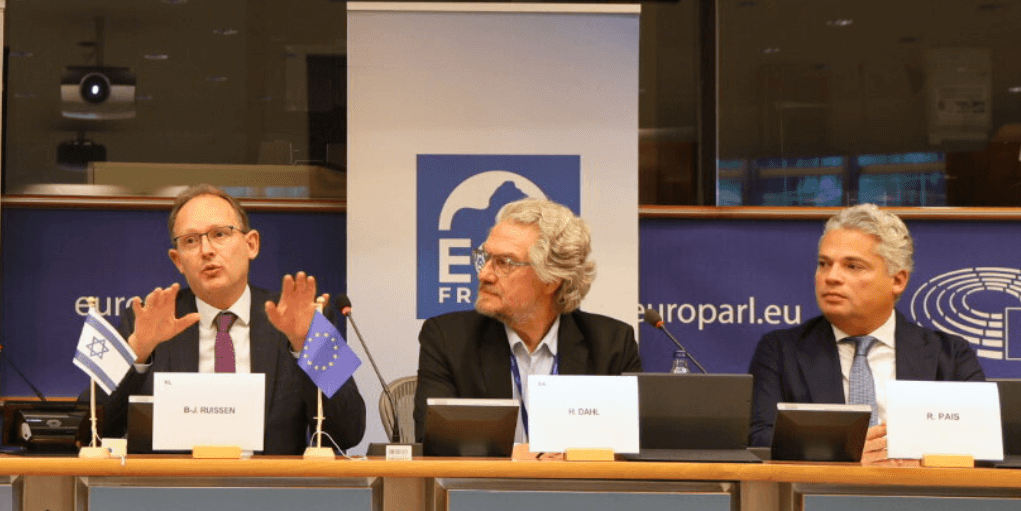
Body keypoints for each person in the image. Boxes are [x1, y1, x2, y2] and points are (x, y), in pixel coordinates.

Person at [91, 184, 366, 455]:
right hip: (174, 482)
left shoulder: (302, 317)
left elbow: (350, 430)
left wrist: (306, 345)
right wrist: (138, 353)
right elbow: (90, 430)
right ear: (178, 261)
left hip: (271, 483)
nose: (206, 250)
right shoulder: (145, 321)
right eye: (190, 241)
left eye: (220, 234)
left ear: (251, 244)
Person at [746, 203, 984, 449]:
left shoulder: (950, 356)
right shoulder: (781, 351)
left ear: (898, 280)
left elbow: (981, 440)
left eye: (853, 266)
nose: (831, 277)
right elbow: (761, 438)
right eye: (824, 263)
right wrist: (848, 451)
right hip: (821, 477)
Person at [414, 198, 642, 444]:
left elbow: (633, 442)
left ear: (551, 280)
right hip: (486, 472)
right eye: (485, 257)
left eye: (504, 263)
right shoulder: (449, 339)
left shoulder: (612, 345)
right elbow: (434, 441)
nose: (484, 274)